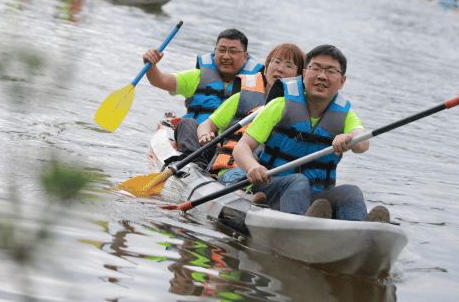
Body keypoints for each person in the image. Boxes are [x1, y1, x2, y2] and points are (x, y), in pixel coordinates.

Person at [224, 45, 389, 223]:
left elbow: (362, 143)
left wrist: (350, 139)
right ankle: (299, 227)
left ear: (342, 81)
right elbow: (241, 148)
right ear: (303, 74)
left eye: (331, 71)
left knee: (351, 192)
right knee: (298, 181)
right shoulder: (280, 105)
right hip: (270, 187)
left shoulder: (345, 116)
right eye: (315, 68)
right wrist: (252, 167)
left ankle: (362, 236)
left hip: (313, 197)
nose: (322, 76)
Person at [142, 29, 263, 165]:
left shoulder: (257, 88)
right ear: (214, 51)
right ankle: (196, 163)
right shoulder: (197, 77)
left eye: (233, 52)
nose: (226, 56)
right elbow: (160, 80)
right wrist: (151, 65)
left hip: (229, 148)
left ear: (245, 56)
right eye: (222, 50)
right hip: (196, 142)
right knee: (186, 123)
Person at [199, 43, 305, 178]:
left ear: (299, 76)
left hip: (269, 176)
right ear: (267, 67)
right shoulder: (243, 98)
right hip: (231, 169)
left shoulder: (299, 112)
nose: (280, 69)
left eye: (289, 66)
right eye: (276, 62)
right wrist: (204, 135)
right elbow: (207, 124)